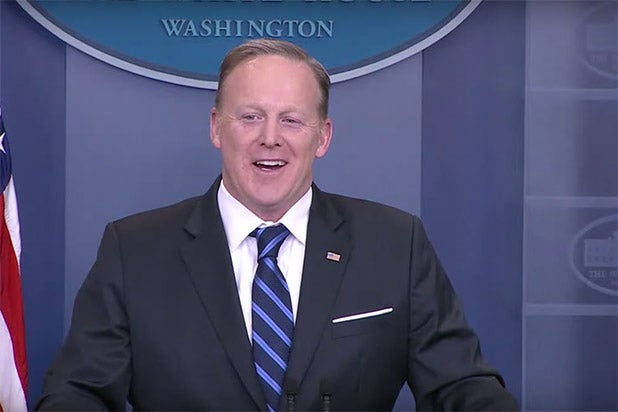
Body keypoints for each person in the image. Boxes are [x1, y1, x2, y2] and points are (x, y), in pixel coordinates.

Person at [36, 38, 519, 411]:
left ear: (322, 137)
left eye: (291, 120)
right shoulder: (135, 251)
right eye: (250, 117)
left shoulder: (395, 244)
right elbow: (77, 395)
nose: (270, 138)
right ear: (216, 127)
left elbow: (462, 386)